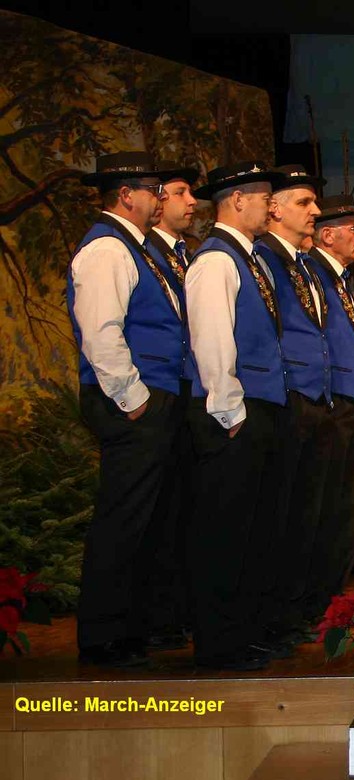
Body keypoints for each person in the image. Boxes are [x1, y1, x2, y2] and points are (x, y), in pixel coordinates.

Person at [68, 152, 186, 667]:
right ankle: (103, 635)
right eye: (153, 190)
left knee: (152, 518)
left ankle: (139, 625)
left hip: (154, 396)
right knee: (124, 517)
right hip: (132, 400)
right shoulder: (106, 249)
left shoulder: (137, 248)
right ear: (125, 194)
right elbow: (101, 333)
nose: (160, 198)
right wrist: (135, 399)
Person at [185, 160, 289, 670]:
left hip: (259, 407)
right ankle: (219, 643)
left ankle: (244, 632)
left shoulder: (252, 259)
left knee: (253, 529)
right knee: (225, 531)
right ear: (237, 200)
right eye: (265, 197)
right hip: (232, 413)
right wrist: (230, 411)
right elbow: (211, 341)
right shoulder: (216, 261)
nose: (271, 206)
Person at [252, 165, 329, 647]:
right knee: (278, 515)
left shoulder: (303, 263)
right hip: (287, 396)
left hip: (313, 397)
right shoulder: (264, 258)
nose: (315, 211)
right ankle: (272, 616)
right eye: (304, 202)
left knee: (305, 514)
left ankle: (293, 610)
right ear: (275, 209)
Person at [140, 160, 200, 651]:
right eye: (181, 192)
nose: (191, 201)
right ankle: (152, 616)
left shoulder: (186, 254)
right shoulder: (144, 252)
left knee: (183, 506)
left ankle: (176, 610)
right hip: (154, 391)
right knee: (154, 509)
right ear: (157, 200)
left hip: (185, 393)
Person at [306, 194, 354, 616]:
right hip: (328, 407)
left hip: (350, 406)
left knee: (347, 508)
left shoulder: (342, 279)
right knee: (323, 509)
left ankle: (333, 600)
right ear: (327, 235)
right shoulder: (312, 275)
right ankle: (315, 602)